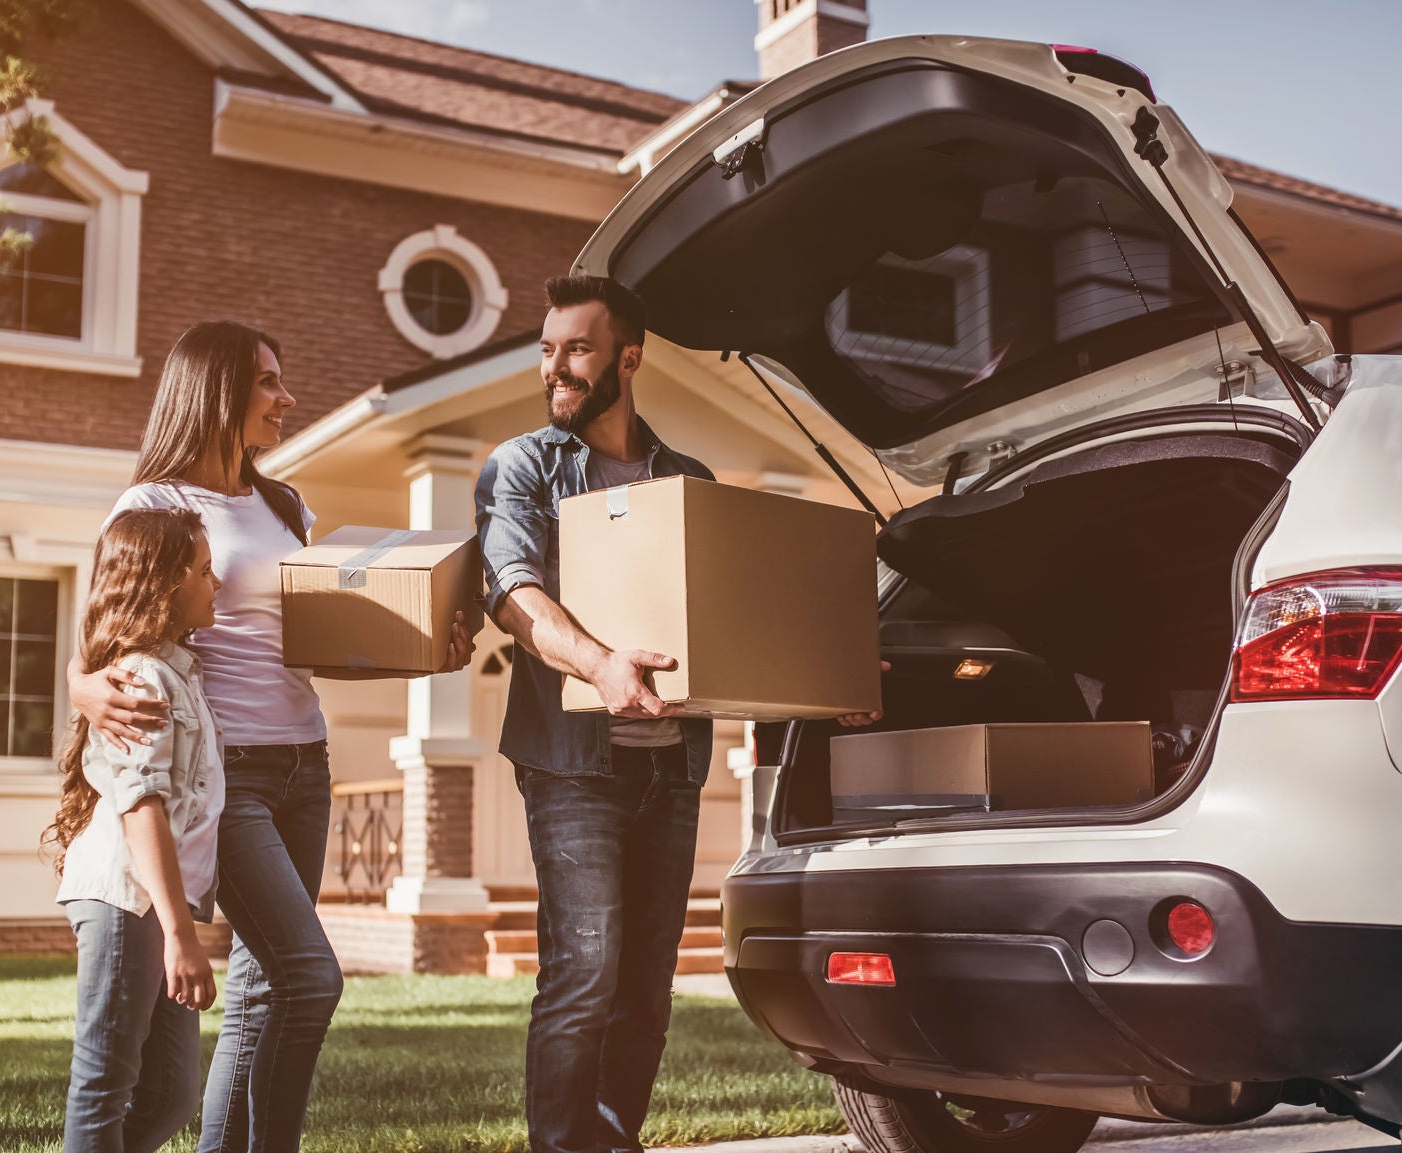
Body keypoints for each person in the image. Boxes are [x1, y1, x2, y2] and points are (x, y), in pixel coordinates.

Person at [475, 276, 882, 1153]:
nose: (557, 368)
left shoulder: (683, 480)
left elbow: (735, 621)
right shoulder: (525, 466)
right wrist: (599, 662)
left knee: (647, 985)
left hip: (670, 766)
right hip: (572, 763)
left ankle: (612, 1137)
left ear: (629, 357)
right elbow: (513, 592)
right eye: (547, 350)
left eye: (576, 349)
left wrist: (827, 677)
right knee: (584, 970)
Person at [68, 320, 473, 1153]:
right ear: (216, 389)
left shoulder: (284, 504)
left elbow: (312, 643)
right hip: (231, 776)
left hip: (305, 766)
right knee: (308, 976)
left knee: (262, 993)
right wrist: (80, 688)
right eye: (268, 382)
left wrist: (422, 657)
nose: (286, 398)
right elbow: (99, 646)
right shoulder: (150, 507)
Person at [47, 506, 225, 1153]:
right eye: (205, 571)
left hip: (154, 901)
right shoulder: (142, 679)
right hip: (126, 899)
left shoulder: (178, 669)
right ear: (166, 583)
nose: (218, 583)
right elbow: (140, 805)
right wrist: (180, 933)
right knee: (104, 1083)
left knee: (171, 1093)